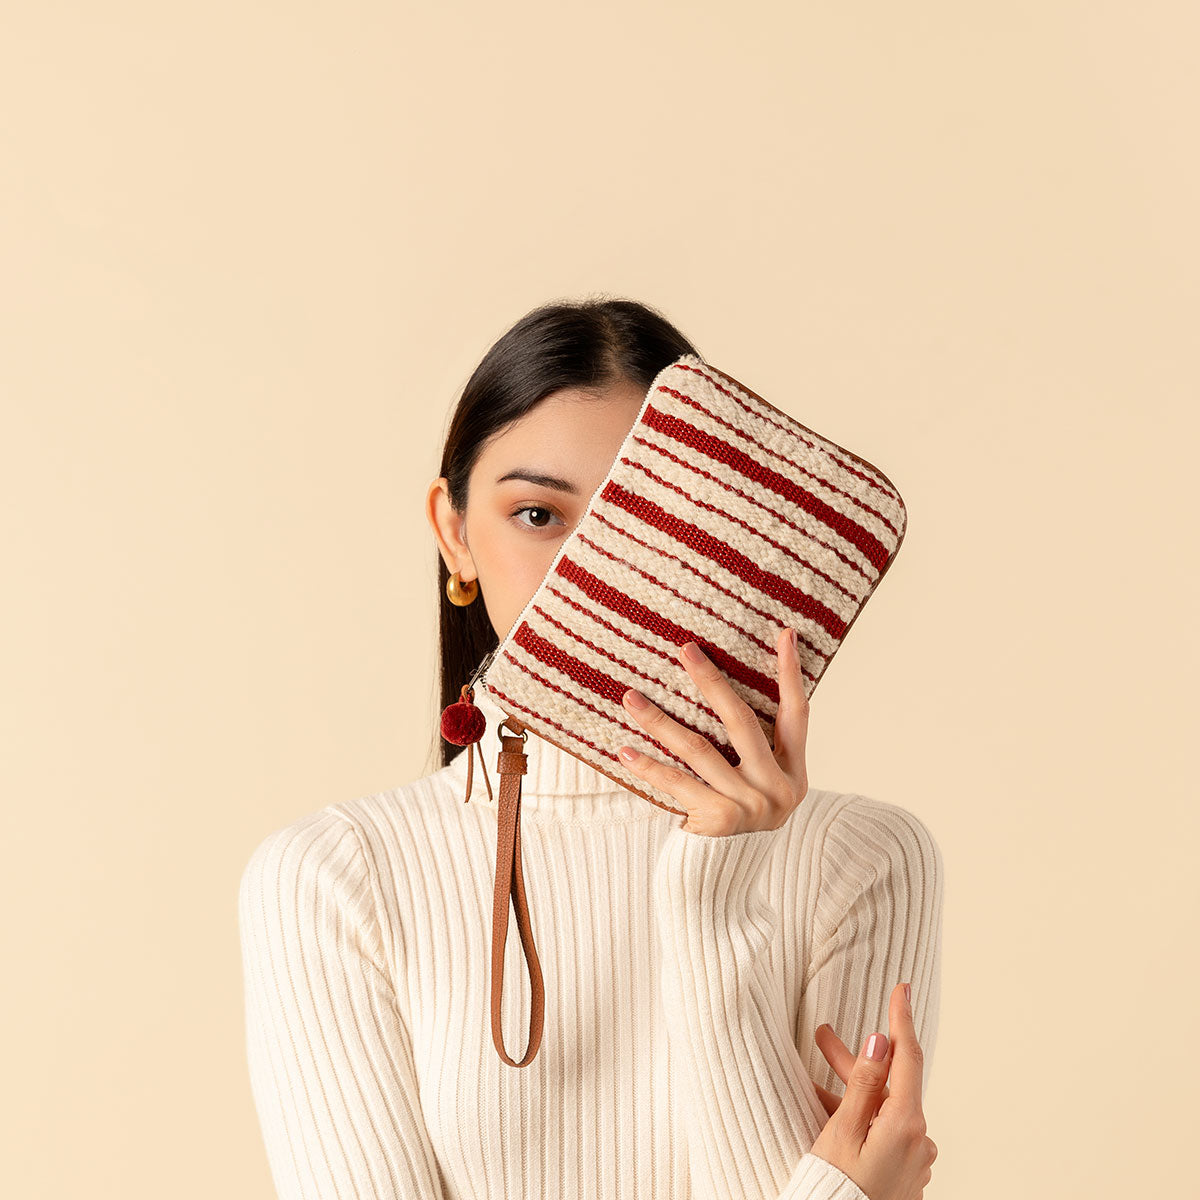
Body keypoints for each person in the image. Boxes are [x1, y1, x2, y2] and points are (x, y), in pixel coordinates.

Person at [237, 297, 943, 1200]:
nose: (584, 573)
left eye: (633, 527)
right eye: (539, 515)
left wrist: (711, 892)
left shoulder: (867, 862)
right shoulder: (331, 880)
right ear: (454, 533)